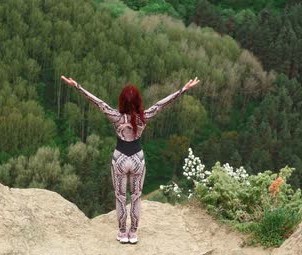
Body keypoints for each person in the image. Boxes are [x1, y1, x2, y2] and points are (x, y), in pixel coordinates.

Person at [61, 75, 200, 244]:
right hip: (137, 159)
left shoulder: (116, 117)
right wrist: (183, 90)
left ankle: (121, 232)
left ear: (122, 101)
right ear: (138, 101)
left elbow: (98, 103)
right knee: (136, 197)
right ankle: (133, 233)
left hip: (119, 158)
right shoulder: (144, 117)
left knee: (120, 197)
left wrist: (77, 86)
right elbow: (162, 104)